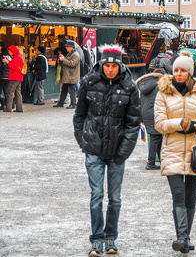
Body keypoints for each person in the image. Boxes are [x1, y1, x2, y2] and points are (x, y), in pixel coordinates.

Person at [73, 44, 141, 256]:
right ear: (101, 63)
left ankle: (111, 238)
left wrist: (123, 152)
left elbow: (133, 123)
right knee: (96, 195)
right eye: (107, 65)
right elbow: (79, 115)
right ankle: (96, 239)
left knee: (115, 198)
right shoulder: (88, 83)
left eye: (114, 65)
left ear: (119, 65)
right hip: (93, 149)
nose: (110, 69)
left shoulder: (130, 87)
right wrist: (84, 140)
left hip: (117, 152)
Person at [154, 51, 196, 253]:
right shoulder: (164, 92)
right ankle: (182, 236)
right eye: (176, 70)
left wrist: (195, 126)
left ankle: (185, 238)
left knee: (191, 197)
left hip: (194, 151)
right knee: (178, 196)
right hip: (171, 150)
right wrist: (180, 124)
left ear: (190, 72)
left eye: (183, 70)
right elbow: (159, 124)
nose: (178, 73)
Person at [136, 68, 167, 171]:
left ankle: (162, 160)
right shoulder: (158, 84)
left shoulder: (146, 83)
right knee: (155, 137)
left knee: (157, 137)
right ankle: (151, 162)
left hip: (146, 112)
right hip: (154, 112)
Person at [54, 40, 81, 109]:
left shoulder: (76, 55)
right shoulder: (70, 53)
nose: (66, 48)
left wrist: (64, 60)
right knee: (64, 89)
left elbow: (72, 64)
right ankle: (61, 103)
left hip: (71, 75)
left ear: (72, 47)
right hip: (67, 75)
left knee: (72, 90)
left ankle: (73, 104)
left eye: (68, 47)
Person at [2, 45, 24, 113]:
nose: (9, 52)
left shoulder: (16, 57)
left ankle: (9, 108)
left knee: (9, 92)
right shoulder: (18, 57)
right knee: (18, 92)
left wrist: (7, 62)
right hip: (19, 77)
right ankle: (19, 108)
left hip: (15, 77)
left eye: (10, 51)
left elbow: (14, 66)